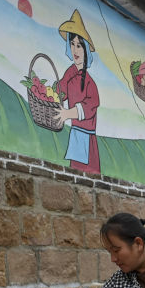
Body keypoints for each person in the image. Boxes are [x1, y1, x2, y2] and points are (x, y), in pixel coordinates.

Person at [54, 10, 101, 175]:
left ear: (86, 49)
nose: (75, 50)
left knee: (88, 178)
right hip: (75, 136)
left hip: (87, 139)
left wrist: (68, 113)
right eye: (72, 44)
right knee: (73, 174)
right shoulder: (70, 72)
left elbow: (90, 106)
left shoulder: (90, 83)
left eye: (79, 45)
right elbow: (60, 91)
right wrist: (46, 93)